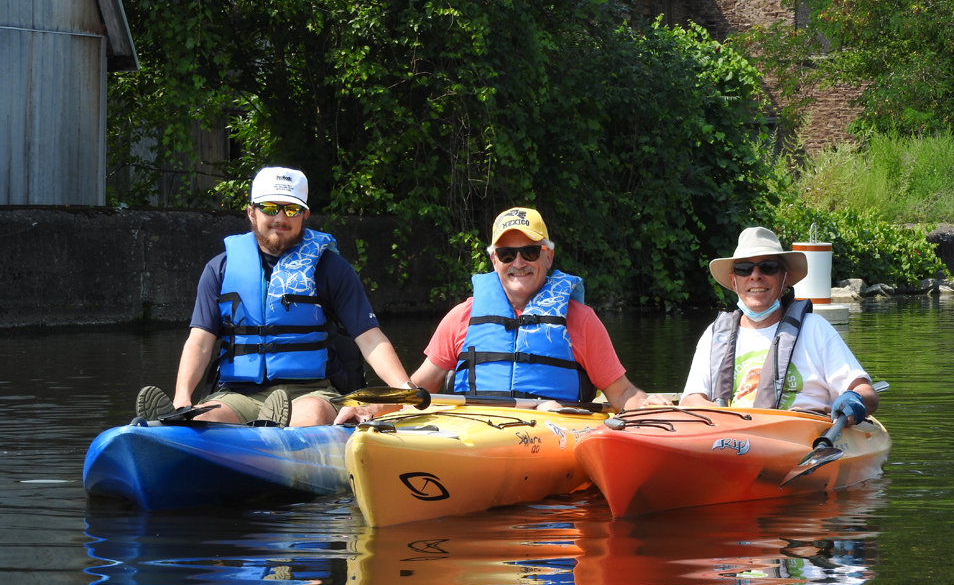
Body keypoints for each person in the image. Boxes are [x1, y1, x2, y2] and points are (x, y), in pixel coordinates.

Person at [136, 166, 411, 427]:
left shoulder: (331, 269)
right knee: (203, 421)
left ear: (304, 215)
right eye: (270, 208)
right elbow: (200, 342)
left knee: (310, 415)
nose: (280, 218)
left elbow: (370, 338)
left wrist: (404, 390)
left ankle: (273, 434)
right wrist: (183, 397)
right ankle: (178, 430)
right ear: (251, 212)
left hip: (310, 392)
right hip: (237, 394)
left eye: (291, 209)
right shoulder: (219, 269)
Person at [403, 207, 655, 414]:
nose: (519, 263)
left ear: (548, 257)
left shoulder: (581, 320)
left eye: (530, 252)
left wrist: (645, 405)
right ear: (494, 261)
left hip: (551, 431)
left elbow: (621, 393)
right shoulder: (461, 317)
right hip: (475, 432)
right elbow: (419, 388)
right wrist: (382, 406)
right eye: (506, 255)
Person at [678, 226, 878, 423]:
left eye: (768, 267)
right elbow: (690, 399)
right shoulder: (714, 335)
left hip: (805, 437)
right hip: (731, 437)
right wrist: (722, 418)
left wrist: (855, 399)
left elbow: (865, 391)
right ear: (734, 281)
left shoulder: (815, 328)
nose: (755, 275)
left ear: (785, 279)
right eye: (744, 269)